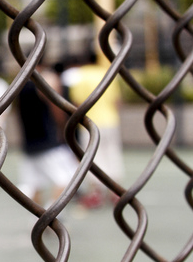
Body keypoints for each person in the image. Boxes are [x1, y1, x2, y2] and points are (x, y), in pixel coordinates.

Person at [61, 51, 123, 208]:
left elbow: (76, 102)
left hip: (90, 123)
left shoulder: (81, 76)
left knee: (93, 157)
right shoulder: (107, 74)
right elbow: (117, 101)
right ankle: (115, 191)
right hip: (111, 120)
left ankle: (96, 193)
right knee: (113, 153)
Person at [16, 62, 78, 207]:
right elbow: (56, 110)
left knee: (34, 185)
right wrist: (63, 128)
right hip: (48, 141)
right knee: (67, 179)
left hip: (29, 143)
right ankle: (50, 214)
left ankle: (37, 219)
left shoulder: (19, 84)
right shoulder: (45, 80)